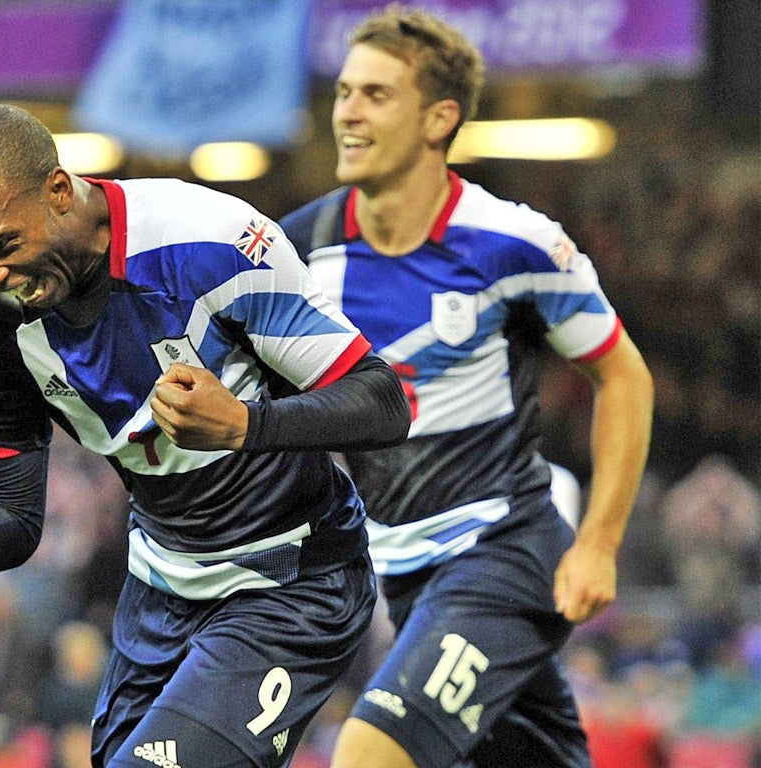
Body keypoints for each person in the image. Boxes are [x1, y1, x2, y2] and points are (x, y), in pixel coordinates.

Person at [0, 103, 411, 768]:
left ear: (61, 191)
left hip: (293, 583)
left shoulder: (208, 244)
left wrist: (244, 425)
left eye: (2, 247)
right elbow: (10, 514)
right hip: (161, 593)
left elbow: (381, 401)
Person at [278, 6, 654, 768]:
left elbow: (623, 376)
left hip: (506, 552)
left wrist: (600, 545)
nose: (347, 111)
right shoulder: (298, 249)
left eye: (376, 95)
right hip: (403, 577)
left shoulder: (513, 242)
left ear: (438, 118)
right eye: (345, 91)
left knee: (368, 752)